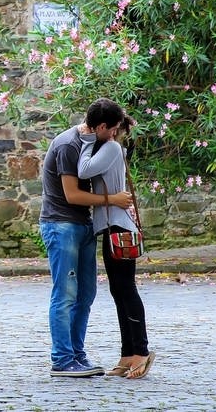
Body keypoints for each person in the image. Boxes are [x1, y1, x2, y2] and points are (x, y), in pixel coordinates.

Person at [39, 98, 132, 377]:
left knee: (85, 294)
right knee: (65, 294)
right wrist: (112, 200)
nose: (115, 134)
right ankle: (62, 359)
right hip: (61, 225)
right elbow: (72, 195)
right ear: (101, 126)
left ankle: (77, 354)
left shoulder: (92, 143)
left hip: (82, 225)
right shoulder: (69, 145)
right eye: (113, 129)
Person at [77, 100, 156, 380]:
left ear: (103, 128)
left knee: (126, 290)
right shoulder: (109, 146)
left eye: (93, 128)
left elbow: (84, 170)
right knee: (118, 291)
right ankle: (127, 354)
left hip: (118, 229)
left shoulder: (110, 146)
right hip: (112, 227)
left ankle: (142, 353)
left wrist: (85, 139)